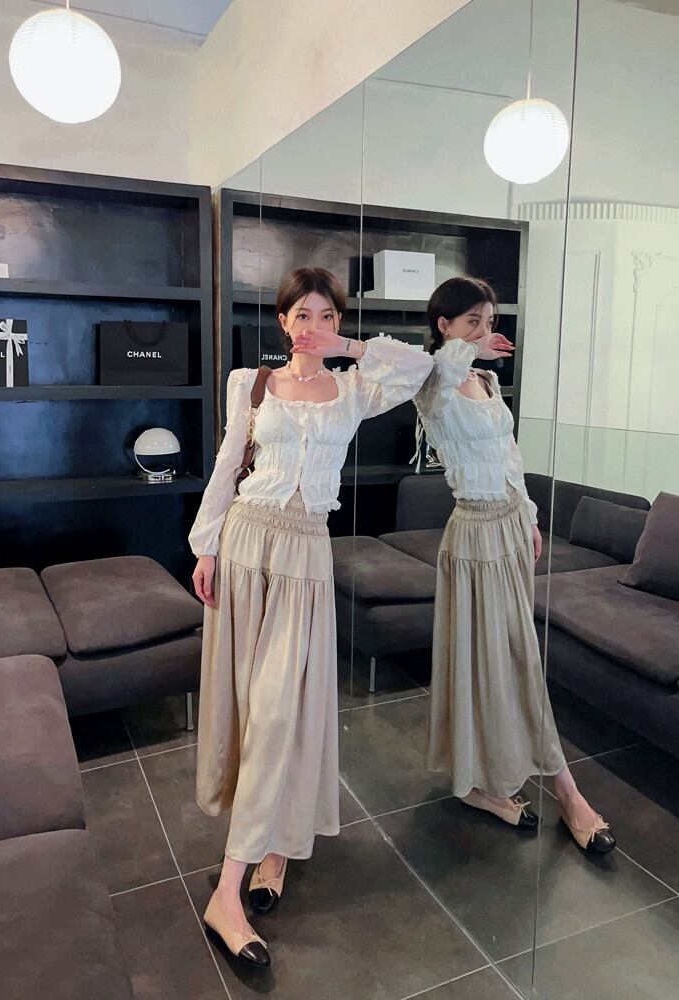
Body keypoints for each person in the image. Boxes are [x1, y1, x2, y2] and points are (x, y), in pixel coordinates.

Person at [188, 266, 435, 968]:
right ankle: (267, 850)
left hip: (305, 554)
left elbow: (417, 367)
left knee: (280, 713)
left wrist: (349, 348)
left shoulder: (354, 388)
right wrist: (205, 546)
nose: (313, 326)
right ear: (282, 320)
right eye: (302, 315)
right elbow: (227, 463)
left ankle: (230, 889)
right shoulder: (251, 383)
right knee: (251, 709)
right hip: (246, 544)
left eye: (327, 315)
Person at [413, 276, 615, 855]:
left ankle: (487, 781)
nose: (485, 332)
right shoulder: (433, 381)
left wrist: (528, 515)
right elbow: (438, 371)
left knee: (503, 661)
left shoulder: (486, 380)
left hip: (509, 530)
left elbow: (509, 454)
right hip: (474, 534)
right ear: (444, 325)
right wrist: (465, 348)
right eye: (471, 320)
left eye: (490, 320)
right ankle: (567, 794)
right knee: (504, 661)